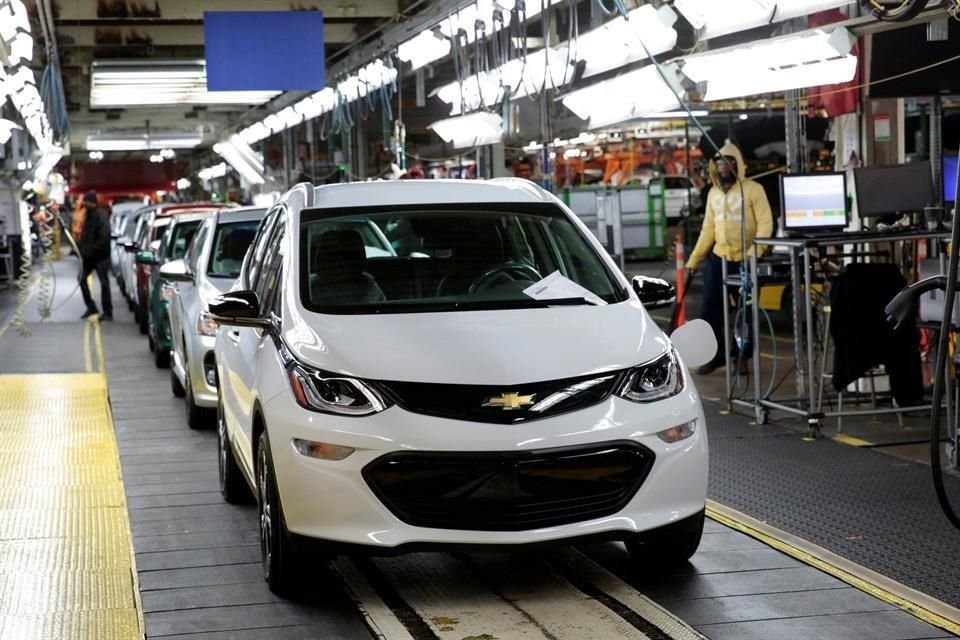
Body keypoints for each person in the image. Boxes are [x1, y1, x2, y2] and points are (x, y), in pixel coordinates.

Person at [685, 143, 773, 375]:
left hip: (746, 259)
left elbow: (765, 222)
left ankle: (742, 356)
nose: (724, 166)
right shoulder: (713, 193)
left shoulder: (753, 189)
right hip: (718, 259)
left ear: (738, 163)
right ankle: (716, 356)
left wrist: (757, 252)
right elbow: (708, 229)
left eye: (729, 161)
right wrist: (694, 260)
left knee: (746, 312)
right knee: (709, 311)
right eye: (720, 162)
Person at [77, 191, 113, 321]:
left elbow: (103, 236)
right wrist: (81, 247)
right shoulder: (89, 215)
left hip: (100, 256)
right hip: (90, 255)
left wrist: (91, 250)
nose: (84, 204)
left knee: (104, 283)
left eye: (86, 202)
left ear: (91, 202)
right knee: (81, 279)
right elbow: (86, 235)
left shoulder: (100, 215)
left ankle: (108, 311)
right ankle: (91, 307)